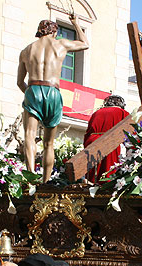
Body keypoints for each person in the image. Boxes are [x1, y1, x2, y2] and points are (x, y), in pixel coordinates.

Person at [18, 17, 89, 182]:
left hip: (33, 88)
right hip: (53, 91)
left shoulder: (26, 51)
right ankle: (46, 181)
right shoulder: (61, 44)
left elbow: (19, 81)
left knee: (29, 135)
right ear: (54, 31)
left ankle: (30, 178)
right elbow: (85, 43)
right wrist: (76, 22)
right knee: (48, 143)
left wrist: (30, 95)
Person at [83, 95, 130, 184]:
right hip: (111, 145)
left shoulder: (96, 113)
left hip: (93, 144)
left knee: (93, 178)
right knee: (108, 174)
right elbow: (131, 137)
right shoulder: (123, 113)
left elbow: (87, 135)